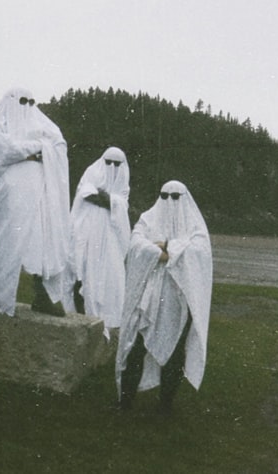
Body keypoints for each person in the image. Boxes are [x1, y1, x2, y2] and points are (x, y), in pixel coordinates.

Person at [115, 180, 213, 414]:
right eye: (165, 195)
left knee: (175, 352)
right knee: (135, 346)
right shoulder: (149, 218)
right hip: (148, 298)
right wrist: (163, 254)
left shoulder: (194, 226)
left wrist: (169, 246)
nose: (170, 201)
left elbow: (200, 251)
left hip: (177, 300)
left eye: (176, 196)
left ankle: (166, 404)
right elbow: (136, 243)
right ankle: (125, 402)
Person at [0, 87, 71, 317]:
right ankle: (3, 296)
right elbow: (1, 150)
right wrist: (37, 148)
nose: (26, 106)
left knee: (42, 244)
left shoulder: (43, 123)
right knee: (10, 244)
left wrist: (26, 152)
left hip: (41, 196)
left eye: (31, 101)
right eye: (21, 101)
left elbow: (59, 144)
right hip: (10, 199)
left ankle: (43, 295)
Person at [67, 146, 132, 331]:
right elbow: (86, 196)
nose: (112, 167)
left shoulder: (123, 184)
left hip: (111, 240)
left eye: (116, 164)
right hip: (87, 236)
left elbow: (120, 203)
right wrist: (111, 201)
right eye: (108, 162)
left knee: (110, 278)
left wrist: (107, 199)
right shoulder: (91, 172)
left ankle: (107, 322)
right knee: (85, 275)